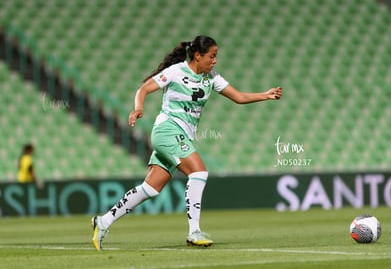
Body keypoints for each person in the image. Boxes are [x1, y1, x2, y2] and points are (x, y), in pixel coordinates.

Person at [91, 35, 282, 250]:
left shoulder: (211, 77)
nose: (215, 60)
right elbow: (143, 89)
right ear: (198, 56)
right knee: (199, 172)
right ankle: (194, 231)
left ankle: (103, 221)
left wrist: (265, 95)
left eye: (215, 56)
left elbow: (238, 97)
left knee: (150, 189)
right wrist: (139, 108)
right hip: (167, 131)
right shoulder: (176, 71)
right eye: (211, 56)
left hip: (178, 136)